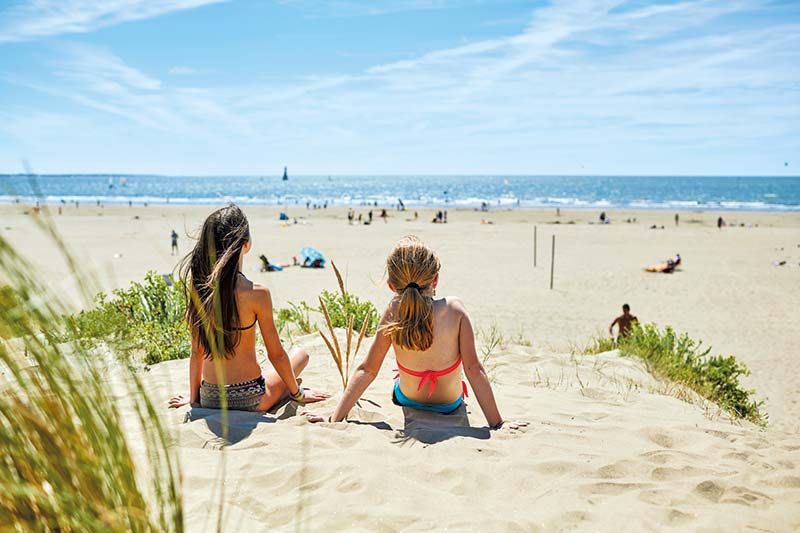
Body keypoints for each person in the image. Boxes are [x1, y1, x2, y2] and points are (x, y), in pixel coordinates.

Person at [305, 236, 525, 430]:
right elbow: (474, 370)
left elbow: (368, 370)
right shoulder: (455, 309)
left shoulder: (393, 310)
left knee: (398, 380)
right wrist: (497, 423)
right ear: (435, 279)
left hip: (407, 398)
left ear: (391, 285)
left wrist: (333, 418)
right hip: (449, 404)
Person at [168, 205, 328, 412]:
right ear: (246, 244)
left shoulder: (199, 286)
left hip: (209, 396)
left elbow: (196, 352)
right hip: (250, 398)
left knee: (275, 368)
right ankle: (288, 390)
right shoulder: (257, 293)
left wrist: (194, 400)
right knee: (300, 355)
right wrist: (298, 393)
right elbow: (276, 354)